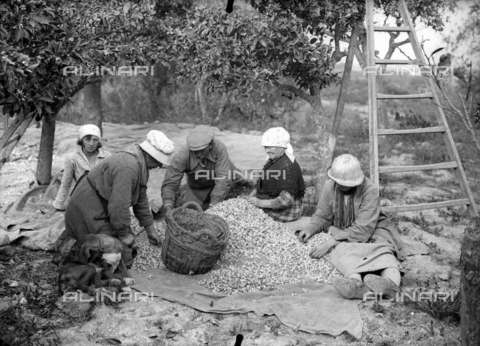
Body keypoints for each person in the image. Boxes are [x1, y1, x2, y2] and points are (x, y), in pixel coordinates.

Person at [296, 154, 405, 299]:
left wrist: (332, 241)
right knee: (343, 252)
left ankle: (390, 284)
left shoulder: (370, 190)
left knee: (383, 250)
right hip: (344, 230)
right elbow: (322, 215)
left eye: (345, 184)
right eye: (338, 182)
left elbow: (363, 229)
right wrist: (310, 228)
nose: (340, 185)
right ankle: (356, 285)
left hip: (372, 228)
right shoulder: (330, 186)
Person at [63, 130, 175, 248]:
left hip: (102, 205)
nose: (159, 166)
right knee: (118, 251)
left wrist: (150, 229)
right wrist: (124, 234)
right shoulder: (128, 167)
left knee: (125, 246)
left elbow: (141, 200)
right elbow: (119, 205)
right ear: (148, 155)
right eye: (158, 161)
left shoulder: (141, 165)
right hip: (86, 207)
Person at [161, 125, 236, 211]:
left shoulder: (219, 148)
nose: (198, 154)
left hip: (223, 174)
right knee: (190, 209)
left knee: (239, 180)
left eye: (201, 151)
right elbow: (170, 183)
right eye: (195, 152)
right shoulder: (182, 156)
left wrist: (214, 206)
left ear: (210, 145)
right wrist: (168, 206)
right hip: (198, 185)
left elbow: (223, 179)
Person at [247, 127, 305, 222]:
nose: (267, 151)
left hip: (288, 211)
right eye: (266, 147)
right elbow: (261, 181)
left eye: (271, 147)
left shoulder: (287, 167)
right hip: (274, 200)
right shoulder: (273, 160)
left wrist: (259, 202)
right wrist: (252, 196)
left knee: (249, 217)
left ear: (282, 147)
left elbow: (285, 201)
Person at [53, 124, 110, 211]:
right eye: (87, 139)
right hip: (81, 197)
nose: (91, 143)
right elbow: (66, 184)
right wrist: (58, 205)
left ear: (99, 141)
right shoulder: (72, 159)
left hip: (102, 198)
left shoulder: (107, 157)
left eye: (95, 140)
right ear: (81, 140)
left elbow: (112, 182)